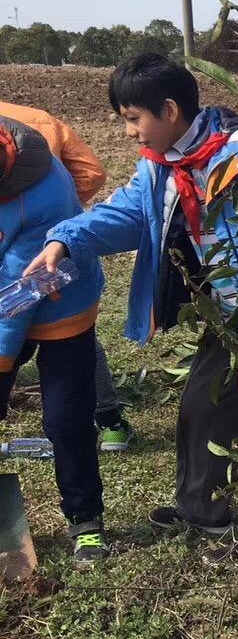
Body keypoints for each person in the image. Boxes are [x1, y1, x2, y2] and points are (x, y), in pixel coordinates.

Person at [30, 54, 238, 564]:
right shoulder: (161, 168)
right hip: (227, 313)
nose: (132, 132)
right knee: (202, 406)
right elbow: (126, 215)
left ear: (170, 110)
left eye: (135, 119)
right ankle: (202, 510)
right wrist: (66, 239)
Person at [0, 98, 136, 450]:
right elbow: (91, 171)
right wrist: (67, 214)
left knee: (59, 344)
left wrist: (51, 224)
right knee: (75, 349)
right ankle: (108, 417)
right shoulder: (37, 116)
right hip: (53, 268)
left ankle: (104, 417)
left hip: (40, 273)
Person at [0, 118, 107, 563]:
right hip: (8, 298)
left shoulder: (43, 194)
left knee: (66, 419)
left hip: (60, 303)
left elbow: (17, 295)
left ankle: (85, 520)